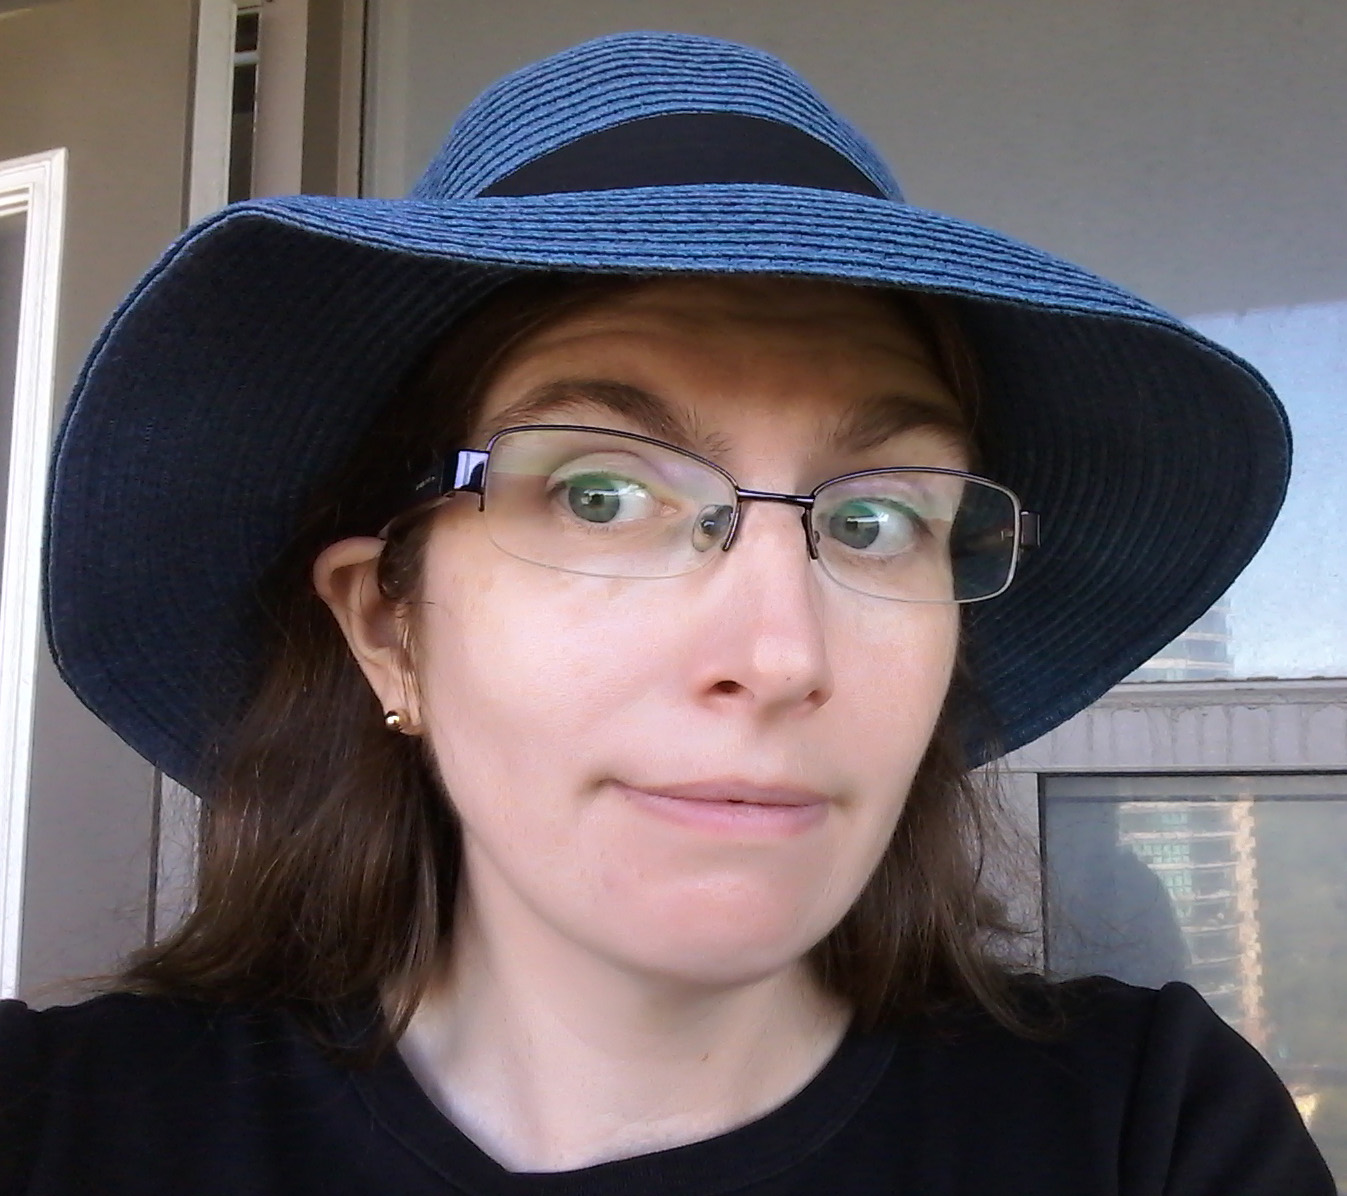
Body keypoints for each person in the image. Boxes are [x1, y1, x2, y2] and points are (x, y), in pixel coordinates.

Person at [0, 31, 1335, 1196]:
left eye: (875, 520)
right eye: (597, 493)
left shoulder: (1145, 1134)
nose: (777, 654)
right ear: (386, 627)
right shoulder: (56, 1130)